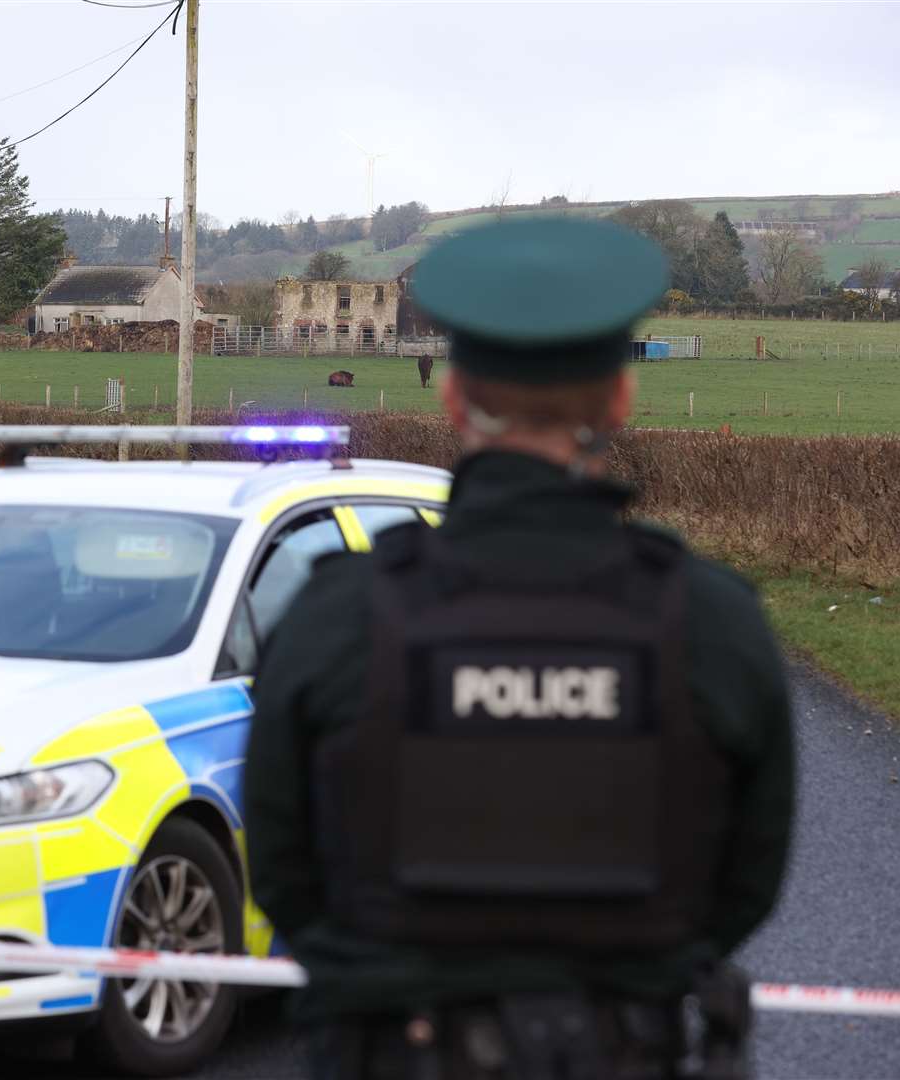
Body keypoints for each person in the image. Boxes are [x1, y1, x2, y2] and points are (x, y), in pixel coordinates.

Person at [243, 218, 795, 1080]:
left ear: (453, 398)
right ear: (620, 399)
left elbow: (281, 866)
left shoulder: (339, 615)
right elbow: (745, 883)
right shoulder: (713, 623)